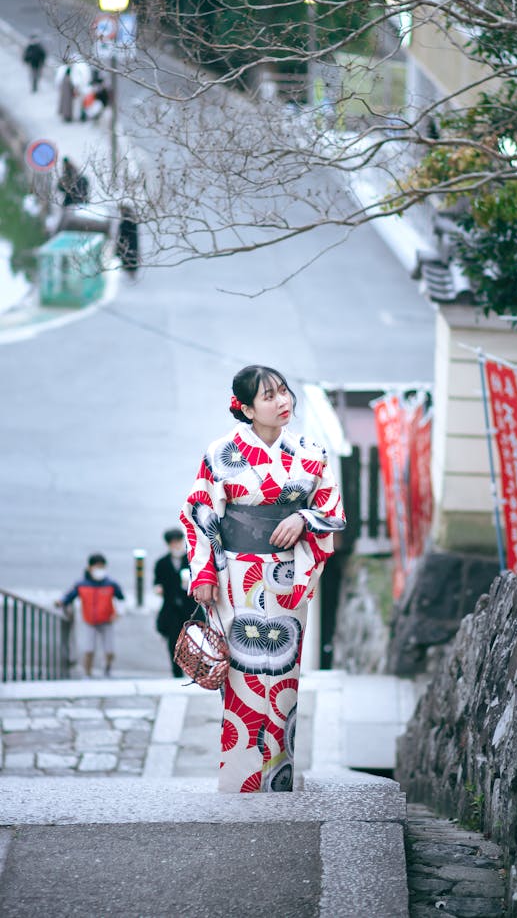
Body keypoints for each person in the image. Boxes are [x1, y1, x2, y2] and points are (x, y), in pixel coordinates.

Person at [180, 364, 345, 793]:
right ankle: (240, 781)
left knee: (285, 677)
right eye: (269, 396)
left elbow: (333, 510)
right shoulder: (221, 453)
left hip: (288, 577)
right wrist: (203, 572)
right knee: (243, 677)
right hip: (236, 575)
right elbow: (200, 512)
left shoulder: (310, 450)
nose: (283, 401)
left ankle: (279, 776)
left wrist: (303, 517)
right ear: (247, 408)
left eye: (285, 392)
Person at [56, 554, 125, 678]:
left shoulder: (111, 584)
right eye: (97, 567)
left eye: (102, 567)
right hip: (89, 621)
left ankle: (107, 669)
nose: (100, 570)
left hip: (107, 621)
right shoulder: (81, 584)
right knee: (89, 649)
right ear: (90, 567)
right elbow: (69, 596)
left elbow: (121, 599)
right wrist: (61, 602)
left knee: (109, 649)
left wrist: (118, 614)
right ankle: (87, 673)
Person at [153, 528, 193, 677]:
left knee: (193, 641)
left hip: (189, 607)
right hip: (171, 609)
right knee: (173, 642)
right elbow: (157, 582)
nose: (176, 545)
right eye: (173, 543)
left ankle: (193, 670)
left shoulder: (191, 559)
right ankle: (176, 673)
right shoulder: (162, 563)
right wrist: (158, 588)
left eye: (178, 542)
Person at [115, 204, 139, 276]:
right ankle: (130, 271)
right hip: (128, 241)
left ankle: (131, 271)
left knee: (129, 256)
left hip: (128, 241)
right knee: (128, 256)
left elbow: (125, 230)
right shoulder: (128, 218)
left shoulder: (128, 218)